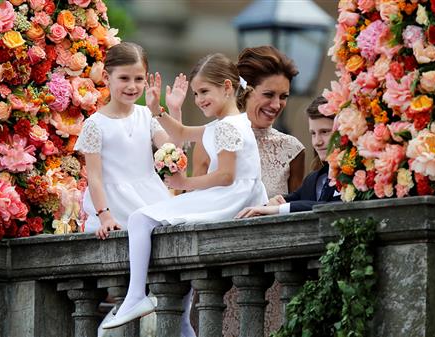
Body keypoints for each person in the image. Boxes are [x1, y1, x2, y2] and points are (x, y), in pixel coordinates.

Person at [101, 53, 268, 329]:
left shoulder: (228, 126)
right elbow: (179, 134)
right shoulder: (227, 123)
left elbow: (226, 176)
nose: (199, 99)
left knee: (140, 219)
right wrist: (158, 109)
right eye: (196, 93)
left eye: (204, 91)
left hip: (231, 196)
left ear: (227, 87)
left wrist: (185, 184)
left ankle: (135, 296)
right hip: (237, 193)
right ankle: (144, 302)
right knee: (146, 221)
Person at [72, 42, 195, 336]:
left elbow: (173, 150)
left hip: (149, 195)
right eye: (124, 78)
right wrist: (104, 215)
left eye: (139, 78)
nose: (132, 86)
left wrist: (174, 109)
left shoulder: (146, 116)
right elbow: (96, 178)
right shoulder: (95, 124)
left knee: (185, 233)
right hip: (116, 204)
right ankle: (131, 304)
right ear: (108, 78)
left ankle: (183, 317)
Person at [192, 45, 305, 198]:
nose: (276, 105)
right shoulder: (208, 140)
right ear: (247, 91)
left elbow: (296, 212)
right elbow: (195, 199)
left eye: (283, 96)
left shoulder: (293, 149)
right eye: (268, 94)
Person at [236, 96, 338, 218]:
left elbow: (333, 206)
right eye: (313, 133)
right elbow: (292, 201)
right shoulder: (312, 180)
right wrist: (272, 204)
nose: (317, 142)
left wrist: (279, 209)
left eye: (325, 132)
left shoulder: (359, 176)